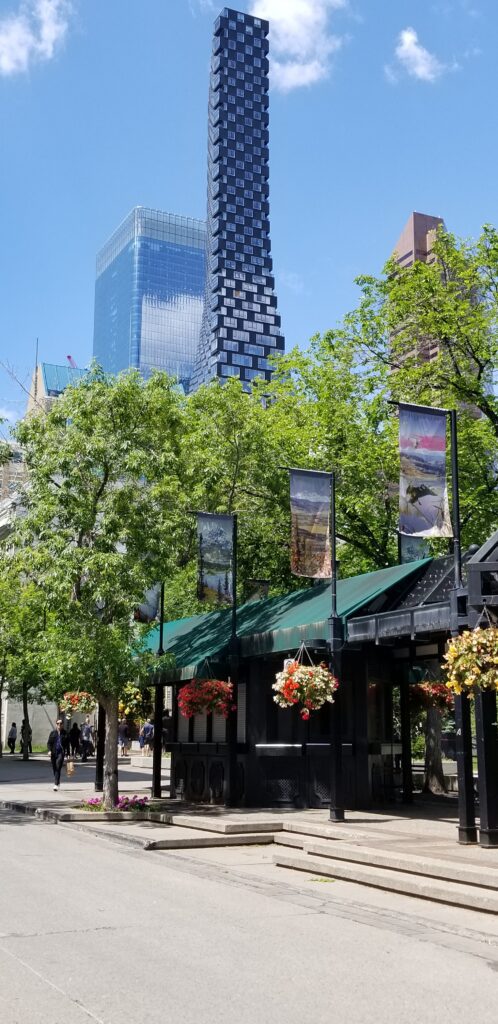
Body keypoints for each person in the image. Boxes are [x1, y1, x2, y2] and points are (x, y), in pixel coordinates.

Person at [47, 719, 66, 791]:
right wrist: (49, 750)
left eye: (61, 723)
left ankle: (55, 784)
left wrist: (69, 754)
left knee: (58, 767)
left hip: (61, 753)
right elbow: (49, 743)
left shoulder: (65, 733)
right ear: (56, 724)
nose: (59, 725)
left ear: (62, 724)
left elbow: (67, 744)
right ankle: (58, 781)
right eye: (58, 723)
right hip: (53, 753)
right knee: (54, 768)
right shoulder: (53, 733)